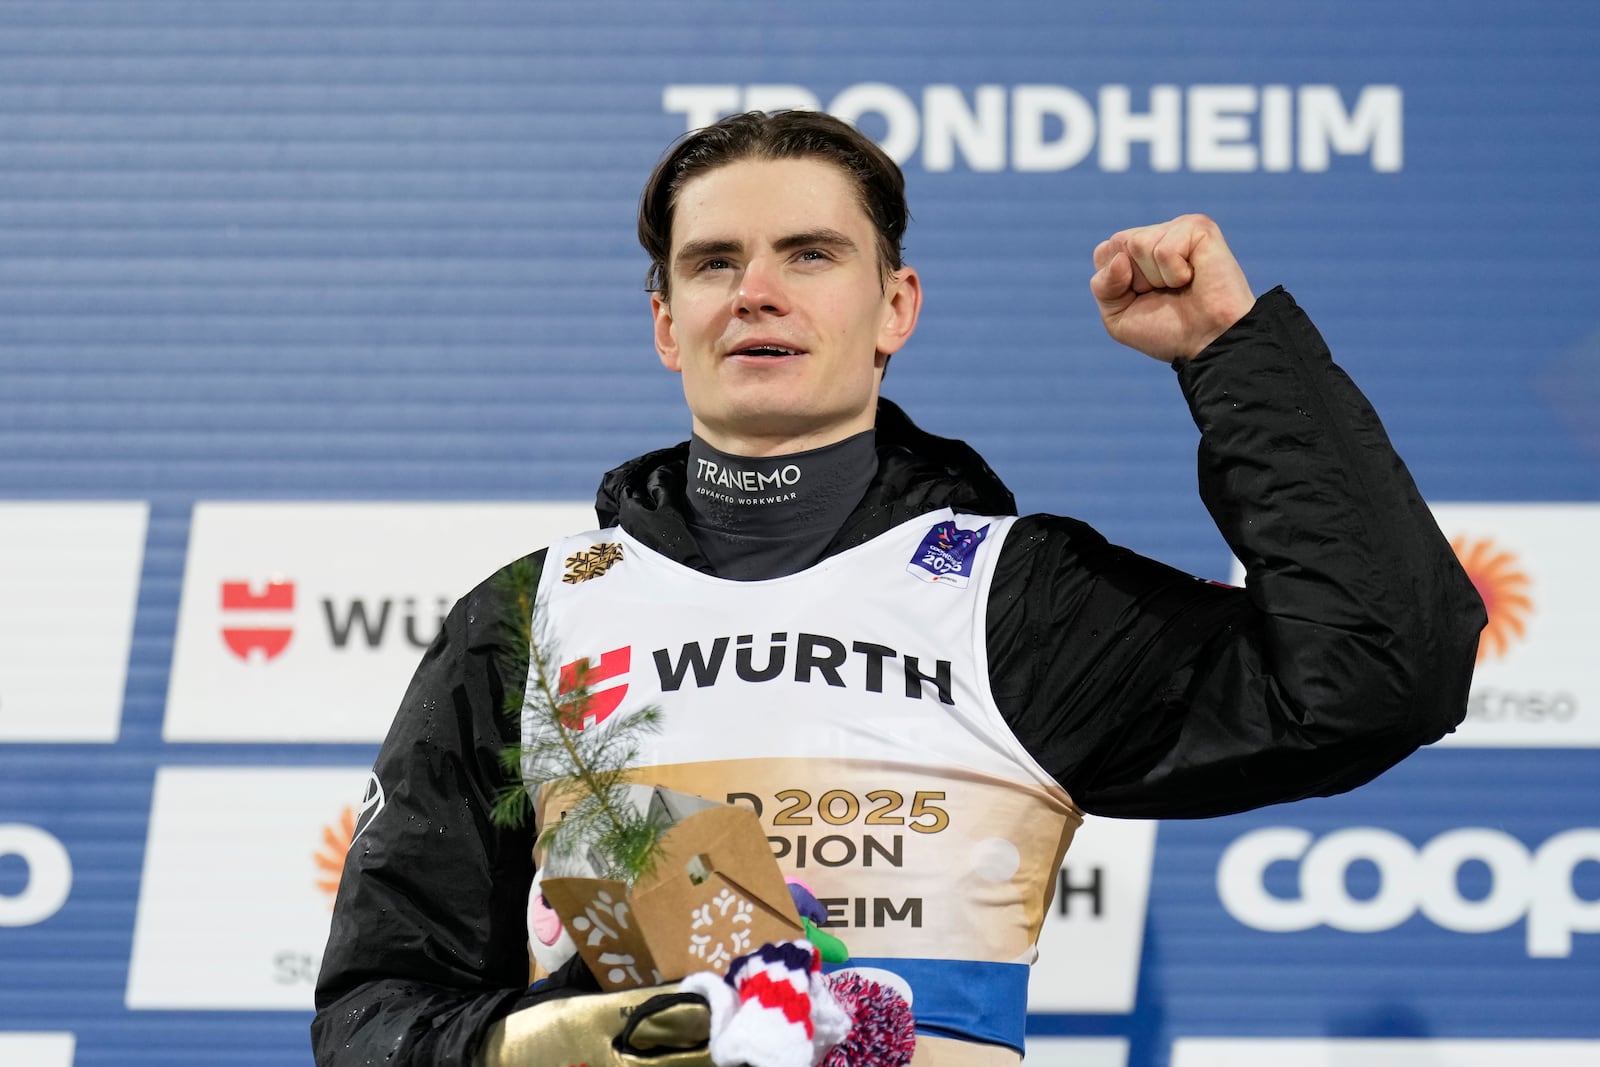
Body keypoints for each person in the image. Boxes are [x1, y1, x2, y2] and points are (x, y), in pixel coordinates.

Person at [311, 109, 1484, 1066]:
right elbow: (375, 1007)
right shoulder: (530, 616)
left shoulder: (1013, 595)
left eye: (809, 255)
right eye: (714, 262)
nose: (756, 291)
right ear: (667, 323)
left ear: (896, 309)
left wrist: (1231, 348)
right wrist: (555, 1041)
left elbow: (1380, 674)